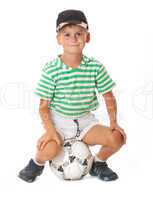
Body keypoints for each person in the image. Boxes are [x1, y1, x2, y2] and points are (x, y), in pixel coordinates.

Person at [18, 9, 126, 183]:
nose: (73, 39)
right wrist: (50, 130)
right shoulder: (52, 69)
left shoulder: (95, 67)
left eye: (79, 34)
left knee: (117, 138)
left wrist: (114, 122)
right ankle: (36, 164)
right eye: (67, 34)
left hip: (85, 122)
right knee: (49, 150)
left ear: (87, 37)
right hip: (60, 123)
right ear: (59, 39)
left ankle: (98, 163)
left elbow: (108, 96)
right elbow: (43, 107)